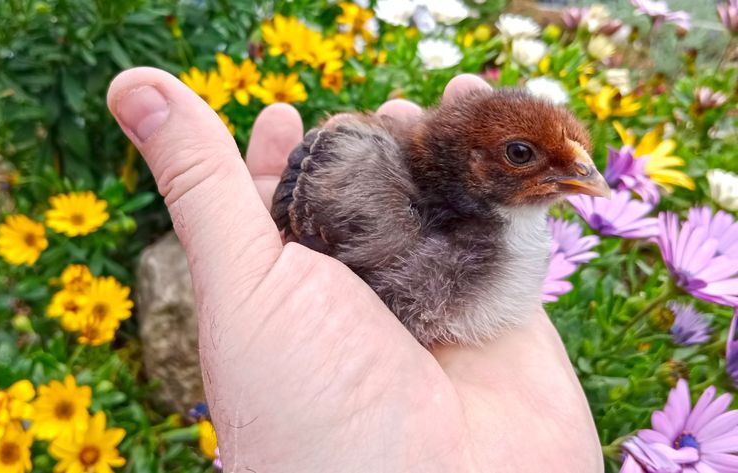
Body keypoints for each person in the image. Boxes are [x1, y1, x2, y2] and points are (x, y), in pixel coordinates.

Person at [106, 67, 603, 472]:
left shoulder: (493, 244)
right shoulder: (375, 213)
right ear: (473, 162)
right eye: (522, 155)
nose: (584, 175)